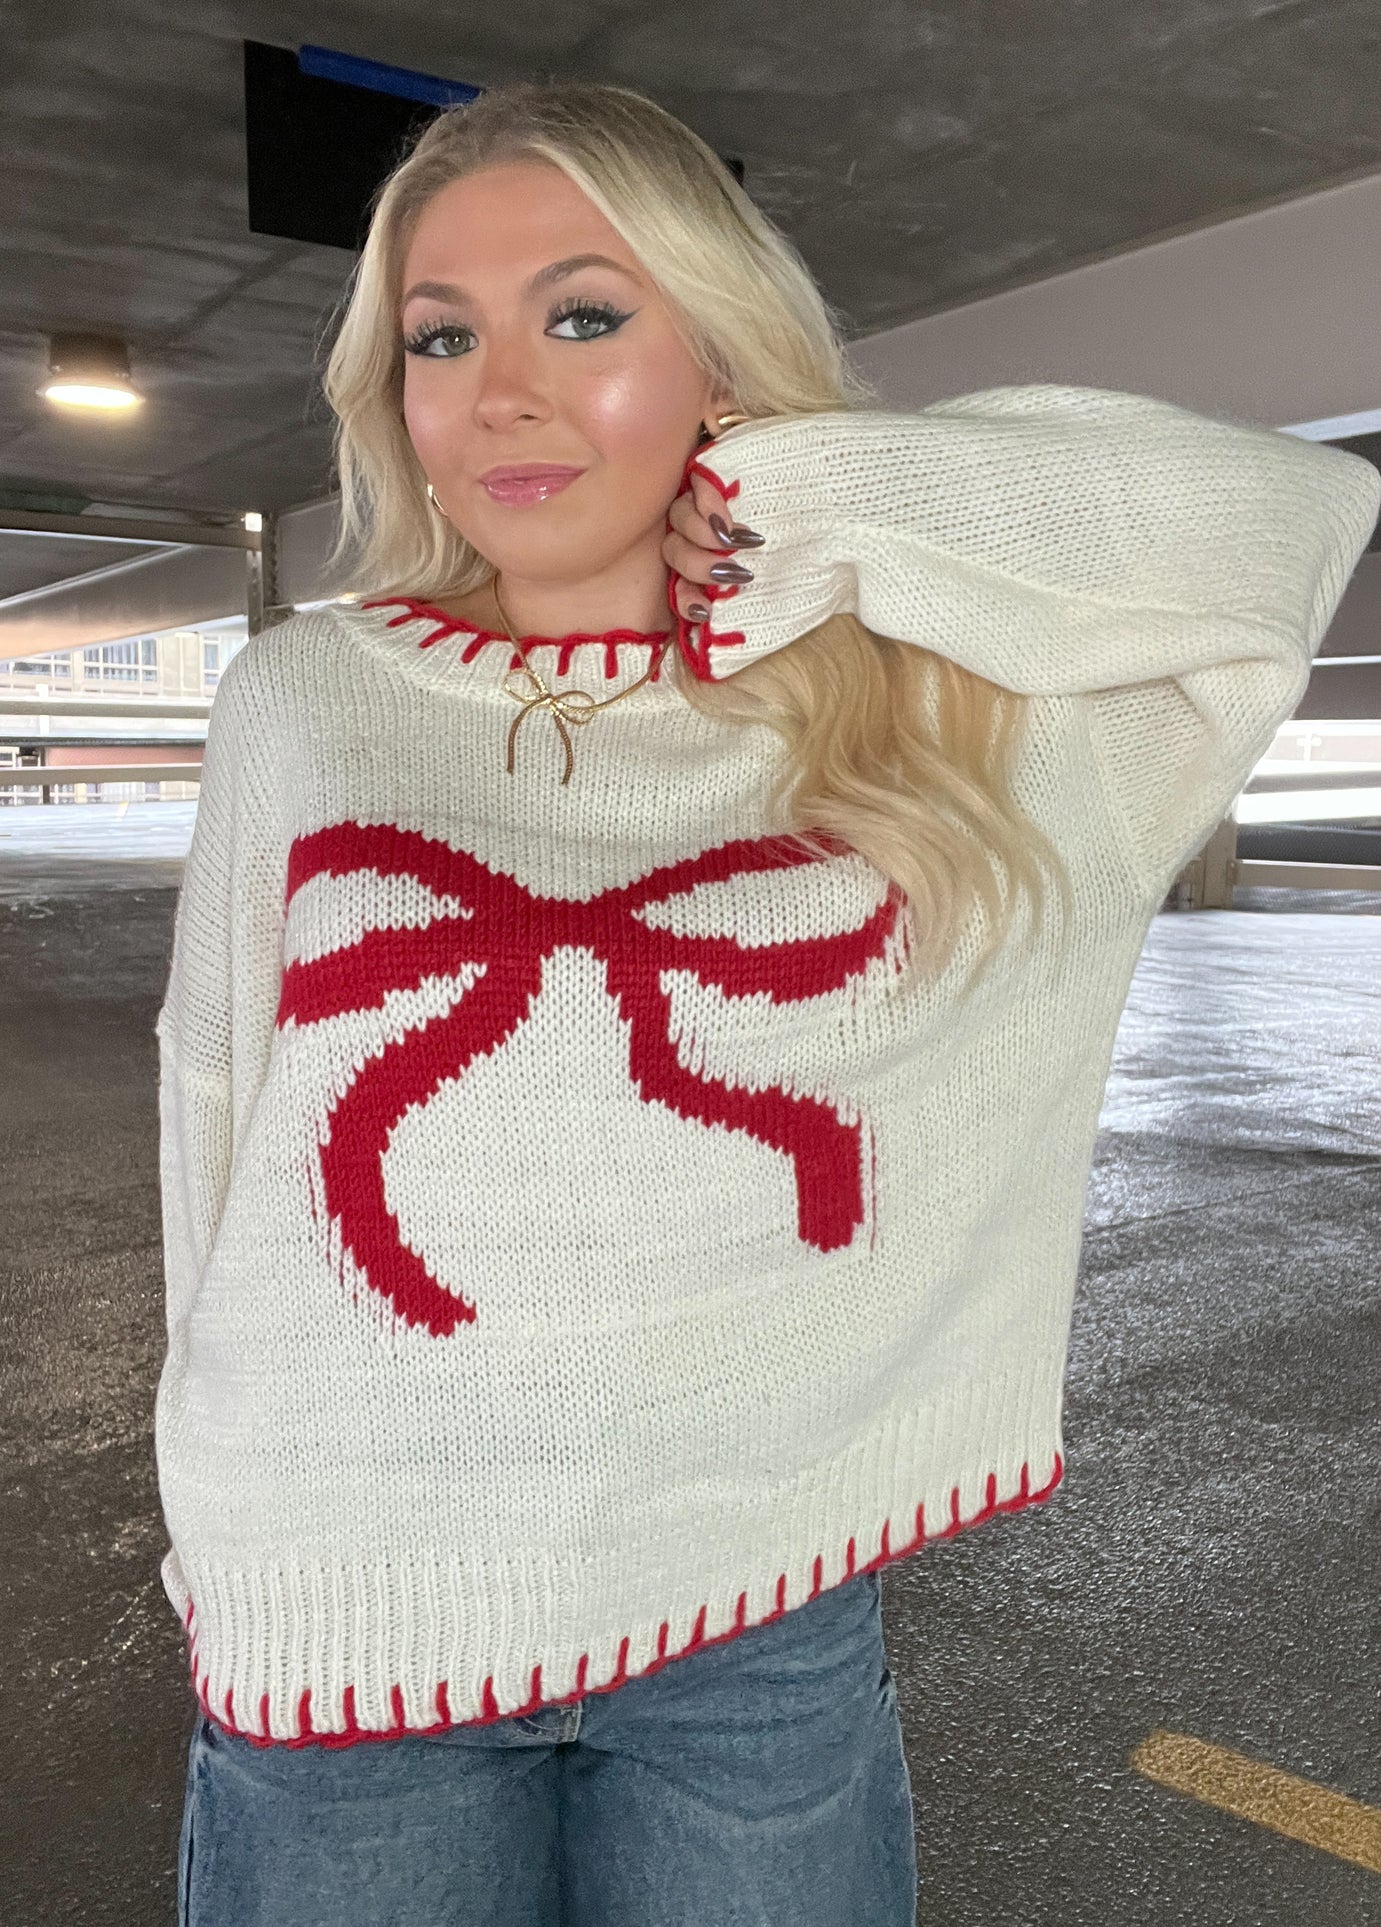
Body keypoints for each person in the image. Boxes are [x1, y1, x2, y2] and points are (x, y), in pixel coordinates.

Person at [158, 77, 1379, 1927]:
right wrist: (212, 1541)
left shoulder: (938, 717)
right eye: (438, 335)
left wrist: (840, 498)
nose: (498, 391)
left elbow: (1282, 523)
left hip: (748, 1619)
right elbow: (218, 1117)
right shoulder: (305, 703)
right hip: (345, 1602)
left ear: (718, 359)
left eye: (585, 315)